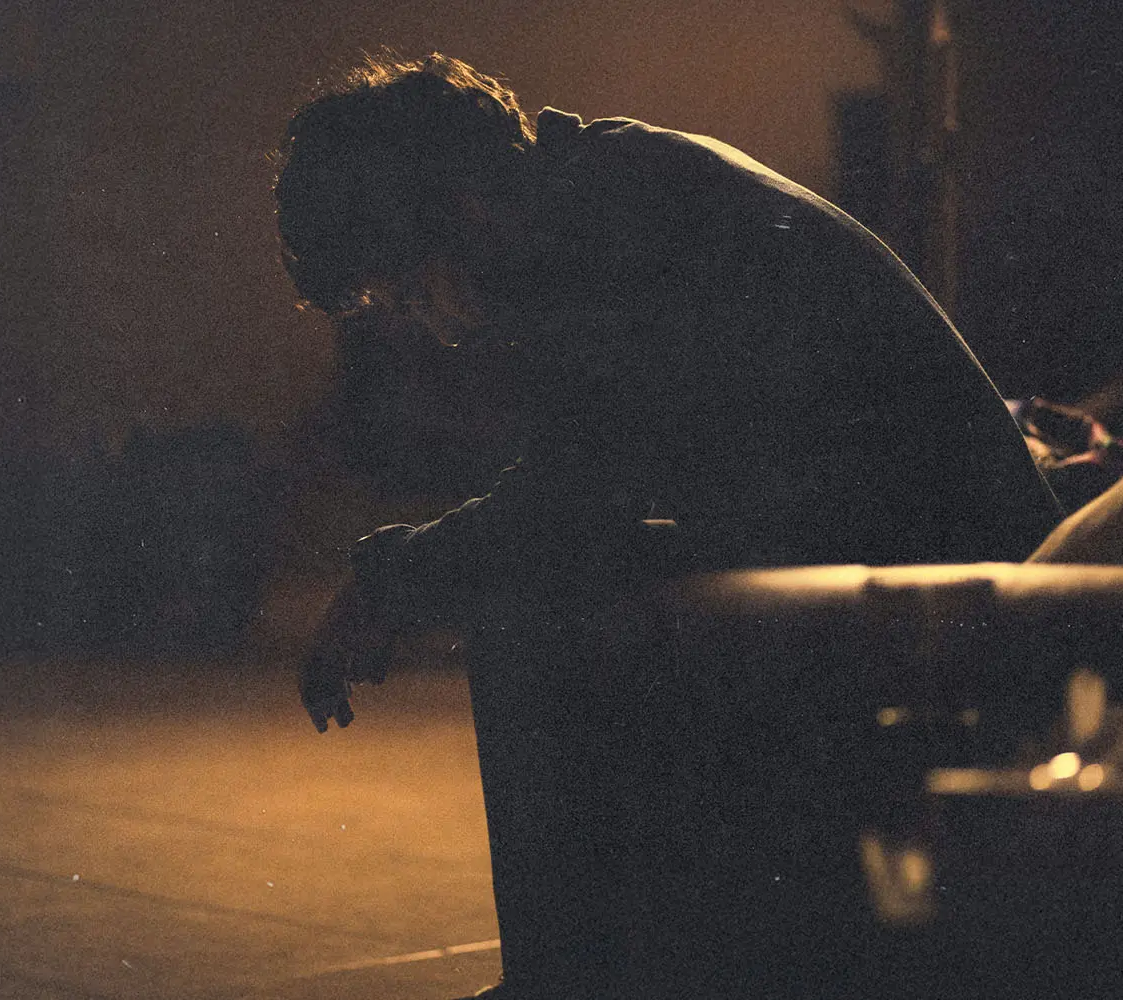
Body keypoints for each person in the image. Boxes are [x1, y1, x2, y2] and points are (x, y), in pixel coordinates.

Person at [274, 53, 1061, 997]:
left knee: (537, 599)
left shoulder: (615, 226)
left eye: (405, 288)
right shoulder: (604, 183)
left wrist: (386, 579)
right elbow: (583, 479)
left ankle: (570, 975)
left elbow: (568, 502)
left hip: (947, 585)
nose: (429, 323)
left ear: (459, 213)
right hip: (907, 550)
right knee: (568, 581)